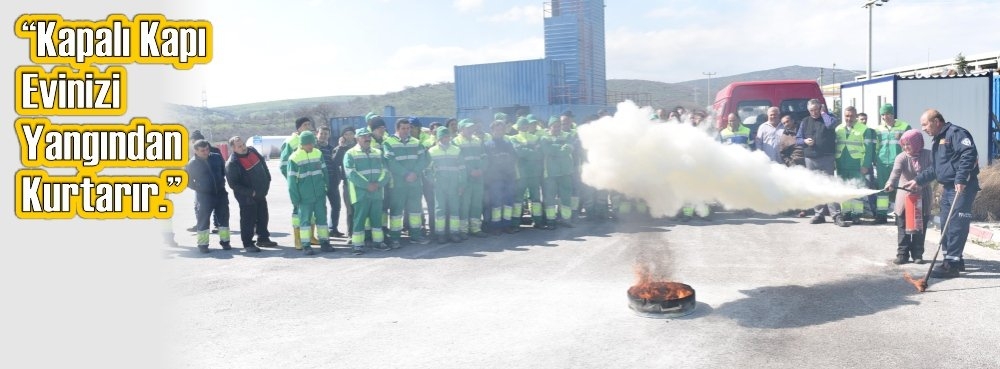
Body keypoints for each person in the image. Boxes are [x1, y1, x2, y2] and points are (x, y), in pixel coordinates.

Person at [903, 109, 980, 278]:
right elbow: (937, 169)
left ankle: (951, 264)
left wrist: (961, 179)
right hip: (948, 187)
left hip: (961, 187)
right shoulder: (938, 141)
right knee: (946, 223)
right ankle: (953, 258)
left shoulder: (956, 133)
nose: (923, 128)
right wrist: (918, 180)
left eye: (925, 124)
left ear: (936, 121)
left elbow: (969, 154)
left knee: (957, 224)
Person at [884, 130, 931, 265]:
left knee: (920, 226)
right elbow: (895, 173)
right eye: (903, 145)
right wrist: (890, 183)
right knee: (902, 225)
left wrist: (921, 184)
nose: (905, 148)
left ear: (917, 143)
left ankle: (918, 254)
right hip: (904, 197)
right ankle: (902, 254)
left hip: (923, 196)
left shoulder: (929, 155)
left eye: (908, 144)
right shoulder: (901, 157)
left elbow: (933, 172)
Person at [383, 118, 430, 248]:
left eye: (408, 128)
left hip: (415, 183)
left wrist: (414, 173)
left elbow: (423, 159)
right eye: (403, 128)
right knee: (396, 212)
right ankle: (395, 238)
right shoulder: (389, 143)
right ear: (397, 129)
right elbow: (390, 162)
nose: (406, 131)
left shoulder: (416, 142)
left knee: (415, 210)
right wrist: (406, 174)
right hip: (398, 184)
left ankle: (415, 235)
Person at [225, 135, 276, 252]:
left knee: (263, 216)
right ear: (233, 148)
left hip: (261, 193)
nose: (243, 147)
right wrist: (251, 193)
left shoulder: (252, 150)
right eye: (239, 146)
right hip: (247, 197)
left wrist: (268, 179)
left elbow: (263, 164)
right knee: (248, 220)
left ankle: (263, 238)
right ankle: (248, 244)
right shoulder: (232, 163)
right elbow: (234, 185)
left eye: (243, 144)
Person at [343, 127, 389, 254]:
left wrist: (379, 184)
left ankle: (378, 242)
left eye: (368, 136)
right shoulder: (350, 154)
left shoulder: (378, 153)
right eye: (363, 136)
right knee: (359, 219)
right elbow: (351, 173)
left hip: (377, 192)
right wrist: (367, 185)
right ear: (357, 138)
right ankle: (357, 245)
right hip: (360, 194)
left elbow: (385, 170)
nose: (367, 138)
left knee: (376, 218)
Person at [287, 131, 333, 255]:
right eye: (308, 144)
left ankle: (325, 242)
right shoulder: (294, 158)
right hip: (304, 197)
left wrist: (325, 188)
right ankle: (306, 245)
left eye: (312, 143)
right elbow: (291, 182)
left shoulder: (318, 153)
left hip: (319, 194)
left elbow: (324, 173)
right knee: (305, 222)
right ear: (302, 144)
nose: (310, 146)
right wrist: (295, 199)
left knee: (322, 220)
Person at [797, 98, 839, 224]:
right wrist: (804, 141)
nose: (814, 112)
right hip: (811, 158)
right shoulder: (805, 121)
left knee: (830, 185)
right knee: (816, 186)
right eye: (811, 110)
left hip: (827, 157)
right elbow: (798, 139)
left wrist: (823, 113)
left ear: (820, 108)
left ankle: (836, 214)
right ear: (808, 110)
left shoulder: (828, 118)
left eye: (816, 109)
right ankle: (819, 214)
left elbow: (830, 125)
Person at [832, 106, 876, 226]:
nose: (849, 118)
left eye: (851, 116)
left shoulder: (864, 129)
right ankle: (846, 213)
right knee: (844, 188)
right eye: (847, 116)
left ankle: (856, 214)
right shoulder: (838, 129)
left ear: (856, 116)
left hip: (857, 164)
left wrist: (866, 165)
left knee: (857, 189)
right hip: (841, 164)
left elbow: (869, 150)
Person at [186, 140, 231, 253]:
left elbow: (223, 171)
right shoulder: (192, 164)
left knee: (224, 218)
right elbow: (187, 181)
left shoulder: (216, 157)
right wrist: (200, 188)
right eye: (202, 150)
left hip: (220, 193)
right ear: (195, 151)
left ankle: (225, 242)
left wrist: (221, 183)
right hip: (204, 196)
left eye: (207, 149)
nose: (206, 152)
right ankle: (203, 245)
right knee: (203, 220)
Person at [279, 117, 316, 249]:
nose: (308, 127)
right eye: (305, 125)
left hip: (311, 184)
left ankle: (310, 236)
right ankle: (298, 239)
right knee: (297, 211)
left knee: (311, 211)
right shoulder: (290, 142)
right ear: (298, 128)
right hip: (299, 184)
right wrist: (293, 181)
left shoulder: (311, 139)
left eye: (309, 124)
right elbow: (283, 165)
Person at [874, 103, 911, 224]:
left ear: (893, 114)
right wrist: (875, 160)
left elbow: (910, 145)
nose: (885, 117)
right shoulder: (878, 129)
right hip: (882, 163)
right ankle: (881, 214)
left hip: (899, 163)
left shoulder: (905, 126)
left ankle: (898, 215)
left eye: (888, 114)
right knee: (882, 189)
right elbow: (876, 146)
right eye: (883, 114)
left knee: (899, 189)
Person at [427, 126, 465, 243]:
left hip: (454, 185)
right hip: (439, 186)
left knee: (454, 209)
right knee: (440, 210)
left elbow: (463, 168)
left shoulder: (457, 150)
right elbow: (427, 170)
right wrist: (433, 182)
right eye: (443, 136)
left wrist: (462, 184)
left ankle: (454, 233)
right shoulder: (432, 151)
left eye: (447, 136)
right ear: (438, 138)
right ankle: (441, 234)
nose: (445, 139)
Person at [453, 119, 489, 238]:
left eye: (471, 128)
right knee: (465, 204)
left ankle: (475, 228)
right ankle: (463, 230)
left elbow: (484, 157)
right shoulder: (456, 142)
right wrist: (470, 171)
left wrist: (481, 170)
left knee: (476, 204)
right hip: (465, 178)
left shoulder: (478, 141)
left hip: (478, 178)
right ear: (461, 129)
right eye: (467, 128)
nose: (470, 130)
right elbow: (458, 160)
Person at [483, 120, 518, 234]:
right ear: (492, 131)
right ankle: (496, 226)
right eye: (497, 129)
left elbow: (514, 158)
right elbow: (486, 163)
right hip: (495, 179)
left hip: (508, 177)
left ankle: (507, 225)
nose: (499, 132)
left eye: (501, 129)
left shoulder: (508, 144)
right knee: (496, 203)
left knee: (508, 202)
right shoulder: (487, 145)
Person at [540, 117, 576, 228]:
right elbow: (547, 150)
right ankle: (551, 221)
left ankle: (566, 220)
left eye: (558, 126)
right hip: (550, 173)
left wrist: (555, 149)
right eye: (554, 126)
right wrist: (561, 148)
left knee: (566, 197)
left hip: (566, 172)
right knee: (550, 198)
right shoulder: (544, 138)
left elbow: (569, 149)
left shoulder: (567, 135)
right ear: (549, 127)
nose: (557, 128)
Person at [510, 118, 546, 229]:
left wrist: (527, 151)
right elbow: (519, 152)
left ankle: (538, 221)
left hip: (534, 174)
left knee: (535, 200)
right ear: (518, 127)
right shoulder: (513, 138)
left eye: (526, 126)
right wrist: (532, 151)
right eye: (522, 126)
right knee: (518, 199)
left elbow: (539, 153)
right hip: (520, 174)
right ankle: (515, 223)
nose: (524, 128)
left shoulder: (536, 138)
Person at [186, 130, 222, 234]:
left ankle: (207, 225)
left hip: (210, 187)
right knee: (204, 207)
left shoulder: (212, 152)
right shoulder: (197, 154)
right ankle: (210, 225)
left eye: (192, 141)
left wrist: (198, 186)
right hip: (205, 187)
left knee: (204, 208)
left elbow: (222, 169)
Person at [315, 126, 345, 238]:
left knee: (336, 206)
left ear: (329, 135)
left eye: (326, 134)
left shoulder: (332, 149)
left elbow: (336, 163)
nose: (323, 136)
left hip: (332, 182)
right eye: (321, 133)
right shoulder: (313, 148)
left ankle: (333, 229)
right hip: (320, 182)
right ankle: (322, 232)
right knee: (321, 208)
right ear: (317, 134)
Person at [332, 126, 356, 240]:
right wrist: (341, 147)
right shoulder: (340, 149)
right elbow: (335, 162)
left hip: (362, 184)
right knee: (350, 210)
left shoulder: (359, 147)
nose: (349, 136)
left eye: (351, 133)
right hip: (348, 184)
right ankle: (351, 233)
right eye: (346, 134)